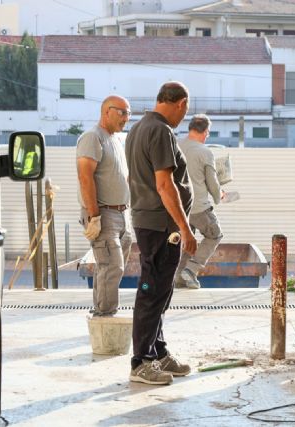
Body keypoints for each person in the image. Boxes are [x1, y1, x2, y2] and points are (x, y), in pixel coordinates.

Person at [125, 82, 197, 386]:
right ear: (180, 103)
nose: (184, 115)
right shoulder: (161, 131)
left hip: (151, 222)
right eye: (186, 109)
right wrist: (184, 227)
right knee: (152, 292)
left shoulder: (139, 128)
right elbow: (165, 184)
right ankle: (141, 361)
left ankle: (158, 351)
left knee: (161, 291)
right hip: (160, 226)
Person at [76, 95, 133, 317]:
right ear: (106, 111)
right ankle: (106, 317)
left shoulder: (116, 140)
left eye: (129, 113)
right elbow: (85, 177)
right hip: (104, 213)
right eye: (122, 112)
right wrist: (94, 216)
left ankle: (101, 312)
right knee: (112, 267)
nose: (126, 118)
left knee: (108, 267)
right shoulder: (92, 137)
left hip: (122, 214)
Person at [173, 114, 223, 289]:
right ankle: (192, 270)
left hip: (178, 207)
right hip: (199, 207)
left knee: (189, 241)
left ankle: (179, 278)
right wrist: (219, 196)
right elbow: (212, 182)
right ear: (206, 132)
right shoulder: (205, 152)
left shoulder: (175, 145)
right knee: (214, 235)